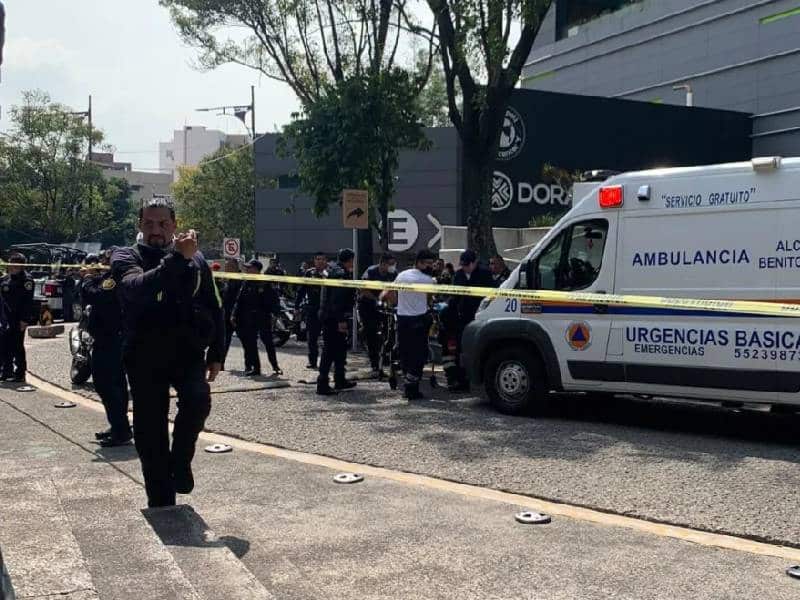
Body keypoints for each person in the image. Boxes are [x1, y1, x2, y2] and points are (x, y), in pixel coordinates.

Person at [112, 198, 224, 508]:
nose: (156, 230)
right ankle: (161, 500)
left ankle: (181, 461)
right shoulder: (126, 256)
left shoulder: (196, 259)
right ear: (140, 226)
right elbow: (135, 288)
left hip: (186, 351)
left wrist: (217, 351)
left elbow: (213, 304)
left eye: (163, 224)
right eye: (149, 224)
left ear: (174, 225)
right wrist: (176, 258)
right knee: (150, 430)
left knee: (199, 399)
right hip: (143, 355)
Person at [80, 247, 132, 447]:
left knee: (106, 385)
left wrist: (86, 279)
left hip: (110, 339)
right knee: (115, 385)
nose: (101, 262)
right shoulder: (109, 277)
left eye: (104, 259)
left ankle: (120, 429)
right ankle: (119, 426)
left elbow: (97, 296)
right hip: (109, 337)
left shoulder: (114, 278)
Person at [382, 250, 436, 400]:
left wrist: (399, 305)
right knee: (419, 354)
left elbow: (389, 294)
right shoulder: (428, 280)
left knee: (405, 352)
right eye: (428, 263)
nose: (430, 266)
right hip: (418, 320)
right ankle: (411, 388)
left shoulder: (402, 275)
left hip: (402, 318)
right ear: (419, 262)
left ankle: (407, 381)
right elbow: (430, 299)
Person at [448, 250, 494, 392]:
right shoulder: (459, 275)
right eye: (463, 265)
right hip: (462, 317)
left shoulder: (485, 274)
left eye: (467, 265)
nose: (465, 268)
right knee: (460, 350)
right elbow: (455, 296)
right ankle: (461, 381)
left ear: (474, 263)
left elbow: (490, 295)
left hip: (479, 316)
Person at [316, 248, 357, 396]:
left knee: (340, 350)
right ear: (350, 260)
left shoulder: (333, 270)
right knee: (330, 351)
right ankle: (322, 384)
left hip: (330, 316)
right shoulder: (340, 274)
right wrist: (341, 320)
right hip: (333, 318)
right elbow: (337, 300)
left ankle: (340, 379)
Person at [232, 259, 282, 377]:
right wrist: (234, 314)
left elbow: (274, 299)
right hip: (249, 317)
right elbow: (239, 300)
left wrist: (276, 313)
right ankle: (256, 368)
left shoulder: (265, 282)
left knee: (268, 342)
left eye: (249, 268)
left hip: (263, 317)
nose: (247, 270)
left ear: (256, 270)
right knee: (251, 343)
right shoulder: (246, 282)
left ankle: (275, 366)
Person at [359, 253, 397, 374]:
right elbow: (363, 289)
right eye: (390, 264)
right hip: (368, 305)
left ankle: (386, 358)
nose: (393, 267)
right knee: (371, 333)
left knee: (389, 332)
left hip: (385, 307)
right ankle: (374, 362)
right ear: (382, 264)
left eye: (394, 264)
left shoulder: (393, 273)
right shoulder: (371, 272)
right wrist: (376, 300)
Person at [0, 253, 35, 382]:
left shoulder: (27, 280)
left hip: (18, 317)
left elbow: (28, 301)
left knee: (17, 345)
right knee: (4, 344)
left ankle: (20, 373)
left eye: (15, 263)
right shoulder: (6, 279)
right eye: (11, 263)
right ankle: (6, 371)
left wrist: (24, 320)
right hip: (6, 317)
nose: (12, 266)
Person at [295, 251, 327, 369]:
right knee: (312, 338)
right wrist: (296, 306)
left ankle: (328, 361)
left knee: (329, 337)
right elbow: (301, 290)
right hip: (313, 309)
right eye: (318, 259)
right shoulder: (309, 273)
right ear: (314, 261)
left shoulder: (329, 273)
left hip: (327, 310)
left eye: (323, 259)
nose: (320, 261)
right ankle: (312, 361)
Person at [220, 258, 242, 370]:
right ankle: (221, 363)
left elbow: (238, 298)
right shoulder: (229, 279)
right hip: (227, 314)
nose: (226, 268)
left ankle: (252, 365)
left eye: (228, 266)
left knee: (247, 340)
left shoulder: (239, 279)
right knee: (225, 340)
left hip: (237, 315)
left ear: (235, 267)